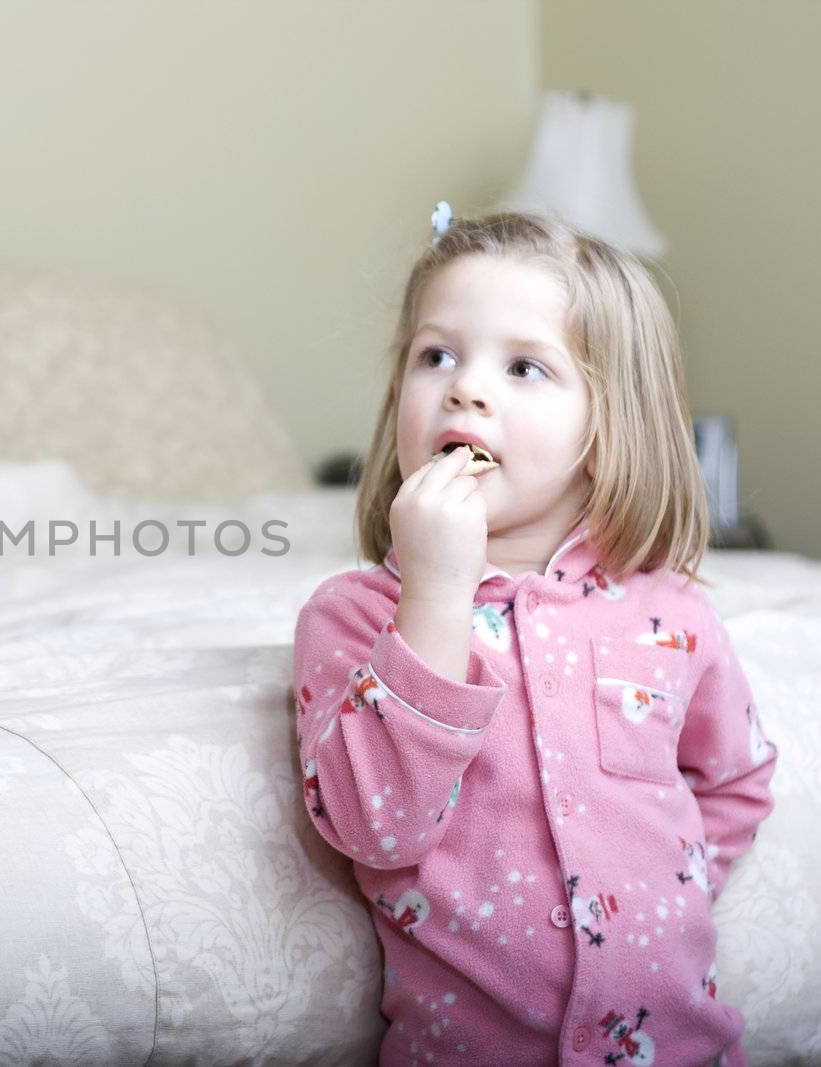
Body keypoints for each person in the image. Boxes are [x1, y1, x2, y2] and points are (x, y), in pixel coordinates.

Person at [293, 209, 775, 1064]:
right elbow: (377, 828)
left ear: (606, 429)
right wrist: (437, 591)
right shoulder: (354, 616)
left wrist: (671, 892)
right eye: (435, 354)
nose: (464, 388)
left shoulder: (673, 616)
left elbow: (734, 777)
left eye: (524, 367)